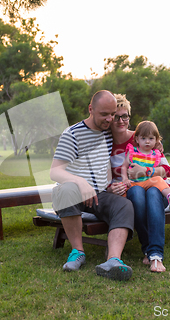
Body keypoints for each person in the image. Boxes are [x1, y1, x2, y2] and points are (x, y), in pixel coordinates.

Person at [50, 90, 135, 281]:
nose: (110, 119)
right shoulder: (72, 134)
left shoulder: (107, 132)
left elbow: (135, 136)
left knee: (125, 205)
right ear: (91, 109)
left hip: (100, 194)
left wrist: (157, 146)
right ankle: (77, 252)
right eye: (104, 114)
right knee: (66, 189)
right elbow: (55, 172)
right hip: (74, 194)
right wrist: (81, 183)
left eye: (112, 114)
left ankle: (113, 260)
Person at [108, 94, 170, 273]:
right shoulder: (105, 143)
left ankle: (155, 255)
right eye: (116, 116)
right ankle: (148, 249)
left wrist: (145, 172)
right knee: (137, 195)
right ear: (109, 118)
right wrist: (110, 188)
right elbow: (101, 177)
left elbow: (166, 170)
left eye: (125, 116)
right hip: (129, 190)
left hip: (156, 188)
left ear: (129, 117)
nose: (121, 121)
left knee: (152, 193)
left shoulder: (144, 137)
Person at [120, 120, 170, 211]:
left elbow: (167, 171)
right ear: (137, 139)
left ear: (156, 140)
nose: (147, 141)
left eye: (151, 138)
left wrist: (147, 171)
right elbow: (124, 166)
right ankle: (122, 208)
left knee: (159, 180)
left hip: (149, 182)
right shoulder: (132, 152)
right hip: (134, 182)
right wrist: (125, 179)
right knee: (121, 189)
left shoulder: (156, 153)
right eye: (143, 138)